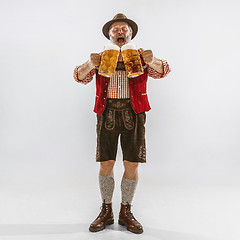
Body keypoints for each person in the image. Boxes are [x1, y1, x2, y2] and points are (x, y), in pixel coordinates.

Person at [73, 13, 171, 234]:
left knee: (131, 163)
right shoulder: (101, 56)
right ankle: (106, 210)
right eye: (115, 29)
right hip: (106, 113)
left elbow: (163, 70)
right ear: (109, 35)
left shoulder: (140, 55)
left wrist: (151, 60)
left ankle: (125, 211)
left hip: (134, 113)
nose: (119, 32)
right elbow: (79, 77)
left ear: (130, 34)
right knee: (106, 163)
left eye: (123, 29)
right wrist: (90, 64)